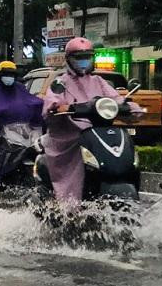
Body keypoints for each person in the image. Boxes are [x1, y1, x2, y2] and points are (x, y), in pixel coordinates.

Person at [40, 38, 142, 202]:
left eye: (87, 57)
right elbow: (52, 103)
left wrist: (129, 107)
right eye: (78, 57)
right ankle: (69, 205)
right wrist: (58, 107)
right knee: (75, 168)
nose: (83, 61)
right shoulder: (60, 82)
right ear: (68, 59)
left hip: (97, 133)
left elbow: (115, 98)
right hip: (71, 137)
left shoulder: (98, 81)